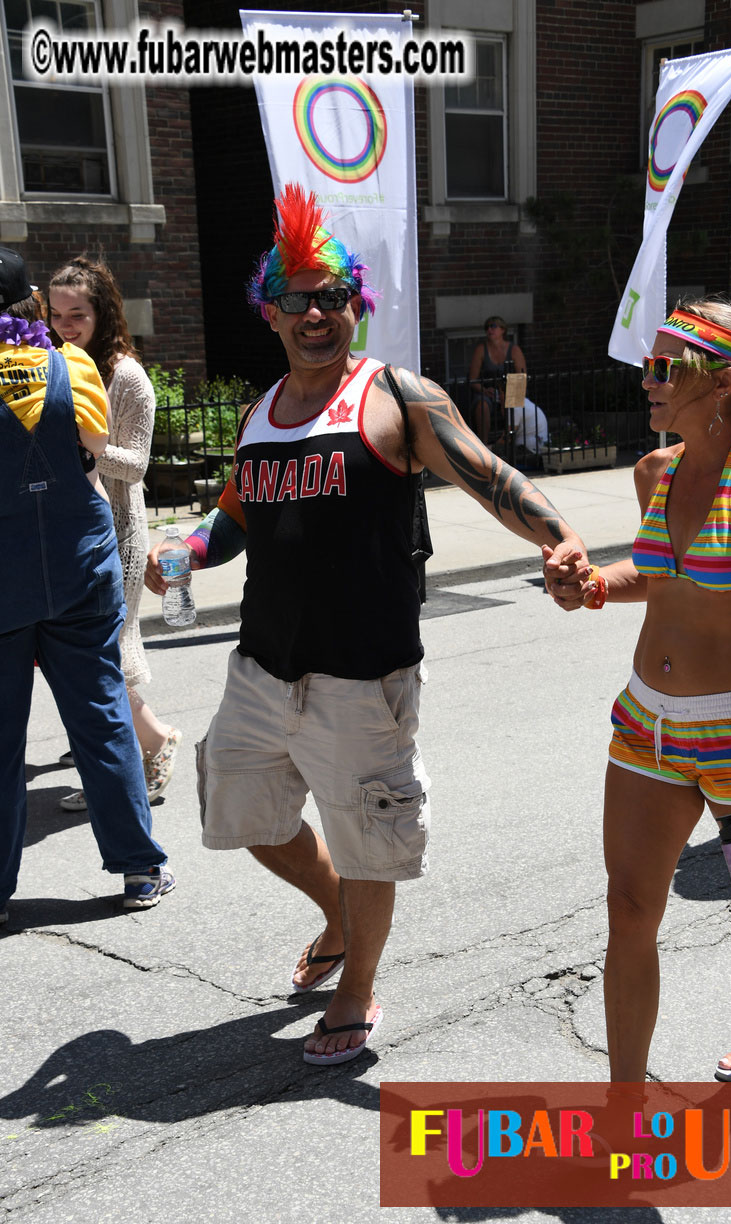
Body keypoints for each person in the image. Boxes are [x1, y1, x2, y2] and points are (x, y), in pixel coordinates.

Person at [145, 184, 587, 1064]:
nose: (318, 312)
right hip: (261, 672)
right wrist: (188, 547)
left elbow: (489, 474)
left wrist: (563, 536)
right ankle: (337, 919)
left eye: (334, 296)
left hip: (363, 677)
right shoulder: (258, 416)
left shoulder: (394, 398)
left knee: (370, 842)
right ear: (269, 311)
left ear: (357, 304)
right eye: (299, 298)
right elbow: (238, 516)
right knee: (244, 814)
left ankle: (358, 987)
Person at [548, 299, 731, 1086]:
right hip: (647, 728)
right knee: (628, 910)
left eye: (666, 368)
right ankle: (623, 1105)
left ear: (725, 379)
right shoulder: (653, 472)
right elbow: (662, 576)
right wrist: (591, 586)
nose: (647, 382)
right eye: (647, 366)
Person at [0, 246, 174, 926]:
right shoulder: (70, 364)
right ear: (31, 308)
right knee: (102, 719)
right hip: (79, 564)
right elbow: (91, 451)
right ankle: (139, 867)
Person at [48, 258, 181, 809]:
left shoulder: (126, 378)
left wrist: (85, 442)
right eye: (55, 314)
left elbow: (136, 465)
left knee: (105, 658)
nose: (65, 325)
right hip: (74, 529)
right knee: (89, 655)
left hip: (119, 531)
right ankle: (115, 750)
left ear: (103, 313)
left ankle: (154, 743)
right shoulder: (59, 363)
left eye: (77, 314)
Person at [468, 316, 526, 444]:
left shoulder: (514, 350)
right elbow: (472, 379)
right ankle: (483, 443)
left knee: (511, 404)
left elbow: (521, 377)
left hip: (509, 390)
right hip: (488, 392)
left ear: (503, 329)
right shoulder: (481, 350)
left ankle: (508, 440)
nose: (489, 329)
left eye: (493, 326)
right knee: (482, 405)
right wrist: (484, 390)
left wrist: (506, 394)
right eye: (487, 327)